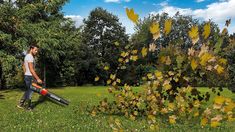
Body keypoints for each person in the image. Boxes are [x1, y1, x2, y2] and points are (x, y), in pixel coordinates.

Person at [17, 44, 42, 110]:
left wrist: (25, 73)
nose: (36, 52)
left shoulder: (27, 56)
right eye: (35, 50)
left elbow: (23, 66)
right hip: (30, 77)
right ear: (31, 49)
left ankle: (21, 104)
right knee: (30, 92)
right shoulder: (30, 57)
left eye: (37, 50)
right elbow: (31, 69)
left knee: (28, 91)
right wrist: (38, 78)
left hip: (27, 76)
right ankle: (28, 107)